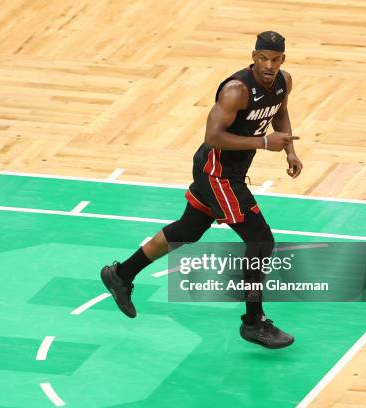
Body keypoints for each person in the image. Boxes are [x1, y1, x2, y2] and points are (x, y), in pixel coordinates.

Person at [101, 31, 302, 349]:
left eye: (275, 59)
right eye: (262, 58)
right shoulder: (236, 90)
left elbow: (280, 111)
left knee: (187, 231)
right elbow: (213, 137)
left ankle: (121, 275)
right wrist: (264, 143)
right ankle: (253, 322)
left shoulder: (283, 82)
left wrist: (288, 148)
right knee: (261, 241)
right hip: (217, 173)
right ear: (253, 56)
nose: (268, 64)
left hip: (231, 170)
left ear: (283, 60)